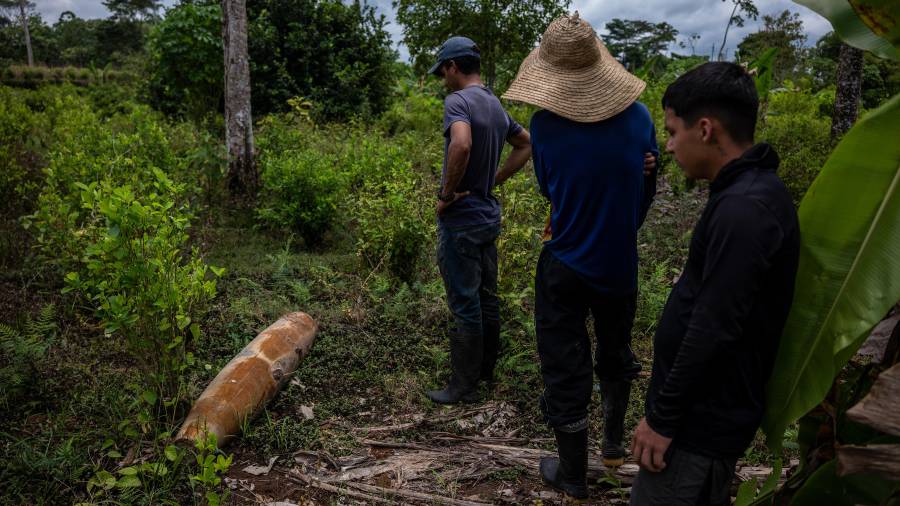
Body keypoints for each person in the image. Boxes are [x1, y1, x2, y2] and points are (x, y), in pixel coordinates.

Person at [501, 14, 659, 499]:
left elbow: (550, 190)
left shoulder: (545, 126)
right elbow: (645, 191)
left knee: (565, 364)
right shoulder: (641, 119)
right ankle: (613, 446)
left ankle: (571, 473)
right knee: (616, 351)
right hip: (619, 262)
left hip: (566, 263)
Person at [630, 62, 800, 506]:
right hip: (699, 421)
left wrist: (662, 419)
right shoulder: (746, 191)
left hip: (696, 430)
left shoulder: (745, 209)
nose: (668, 145)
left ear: (705, 129)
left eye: (673, 132)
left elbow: (714, 325)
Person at [426, 36, 533, 405]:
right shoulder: (494, 103)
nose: (443, 79)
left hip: (462, 221)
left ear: (453, 66)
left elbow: (461, 144)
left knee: (465, 302)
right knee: (487, 298)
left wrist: (446, 195)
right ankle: (485, 373)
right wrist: (493, 180)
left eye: (443, 71)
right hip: (487, 217)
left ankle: (464, 386)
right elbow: (526, 143)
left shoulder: (458, 101)